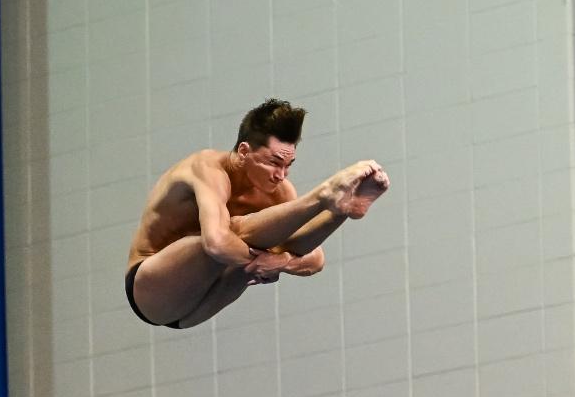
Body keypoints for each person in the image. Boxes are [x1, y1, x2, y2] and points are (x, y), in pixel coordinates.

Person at [126, 98, 390, 329]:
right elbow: (216, 243)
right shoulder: (208, 169)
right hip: (153, 290)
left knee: (260, 255)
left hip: (199, 306)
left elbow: (315, 260)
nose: (281, 175)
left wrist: (282, 262)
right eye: (274, 162)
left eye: (288, 165)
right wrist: (267, 259)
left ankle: (339, 211)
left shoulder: (279, 190)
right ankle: (322, 196)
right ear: (244, 151)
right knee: (233, 233)